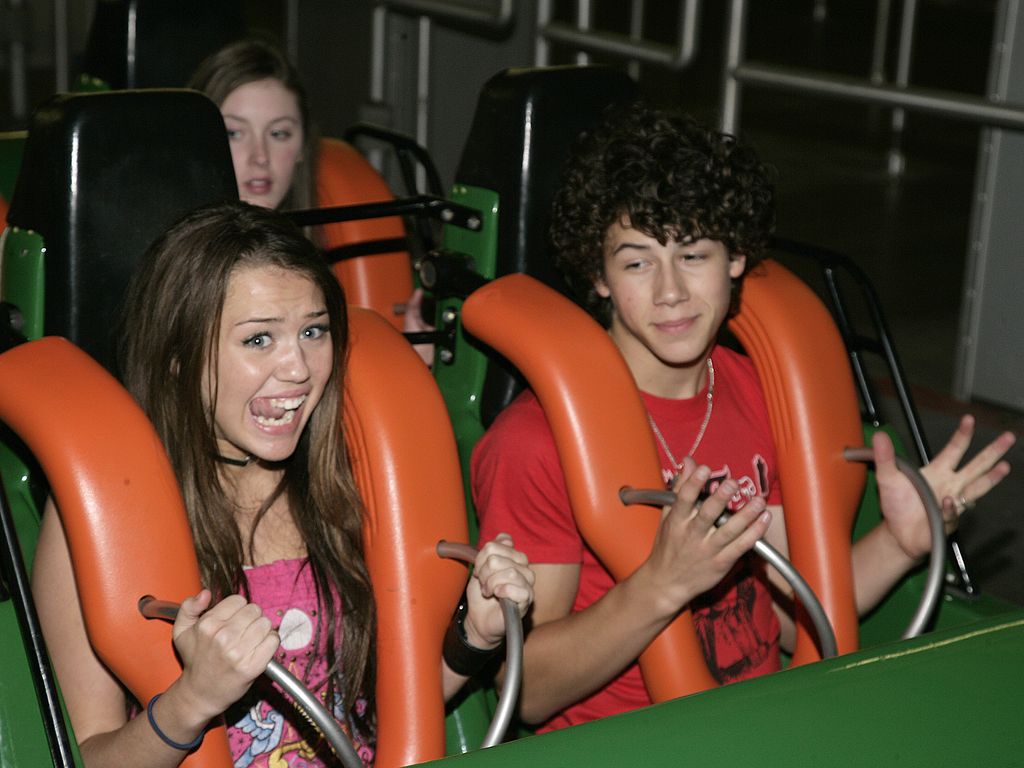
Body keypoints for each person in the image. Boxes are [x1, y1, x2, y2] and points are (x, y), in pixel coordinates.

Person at [471, 103, 1015, 732]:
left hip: (763, 721)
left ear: (735, 257)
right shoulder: (536, 442)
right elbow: (529, 691)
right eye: (637, 262)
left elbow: (792, 619)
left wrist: (899, 544)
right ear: (598, 277)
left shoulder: (762, 393)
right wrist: (661, 585)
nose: (670, 291)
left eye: (694, 254)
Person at [32, 201, 534, 767]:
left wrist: (476, 637)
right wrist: (190, 702)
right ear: (177, 357)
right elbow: (88, 760)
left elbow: (365, 720)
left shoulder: (349, 478)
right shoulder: (103, 516)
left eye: (313, 331)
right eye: (258, 340)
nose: (298, 367)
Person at [189, 37, 435, 366]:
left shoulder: (329, 262)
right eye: (234, 132)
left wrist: (413, 363)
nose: (260, 157)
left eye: (279, 134)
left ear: (303, 146)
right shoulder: (165, 265)